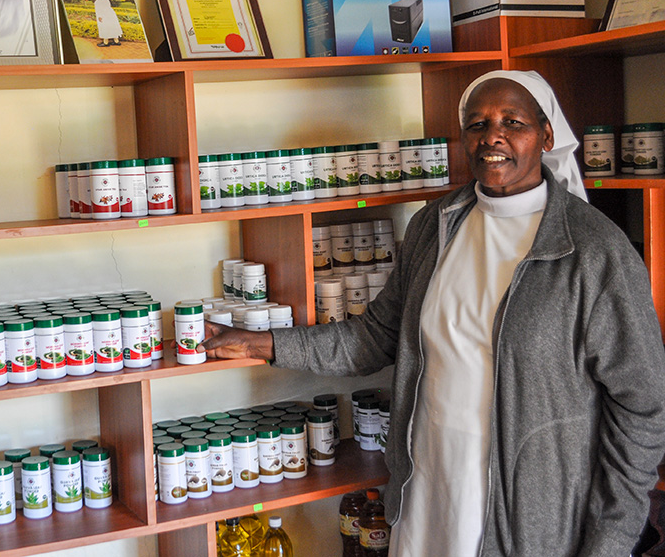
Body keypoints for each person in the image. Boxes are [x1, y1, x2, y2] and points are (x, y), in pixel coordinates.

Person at [201, 70, 665, 556]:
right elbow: (375, 335)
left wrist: (610, 541)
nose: (493, 137)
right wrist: (266, 343)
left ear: (547, 135)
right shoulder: (434, 226)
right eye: (477, 124)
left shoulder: (593, 252)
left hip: (532, 519)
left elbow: (643, 407)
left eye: (514, 121)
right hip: (428, 491)